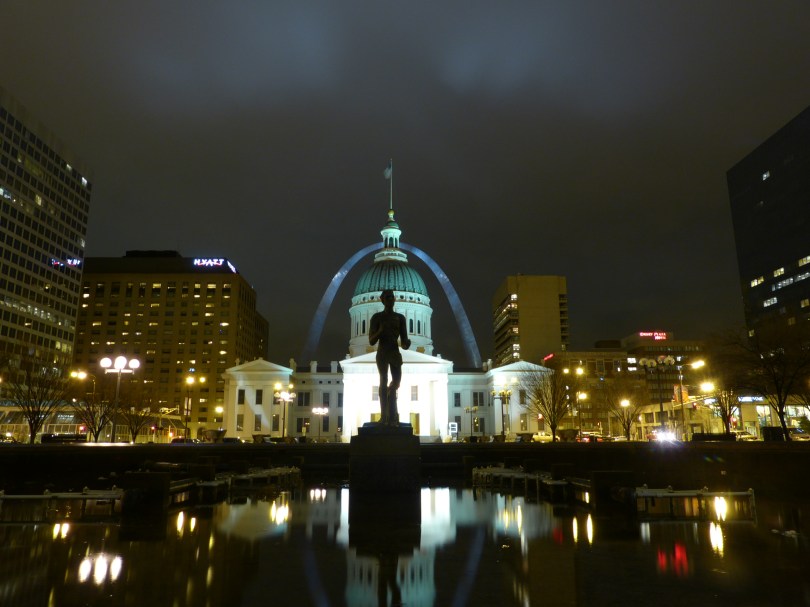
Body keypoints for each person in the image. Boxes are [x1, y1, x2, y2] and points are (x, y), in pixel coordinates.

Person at [369, 289, 411, 426]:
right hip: (382, 352)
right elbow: (371, 341)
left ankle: (391, 413)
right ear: (382, 300)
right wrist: (380, 331)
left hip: (394, 352)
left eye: (392, 297)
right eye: (387, 297)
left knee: (396, 383)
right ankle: (385, 417)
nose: (390, 299)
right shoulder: (377, 318)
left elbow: (404, 341)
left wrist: (406, 344)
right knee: (383, 381)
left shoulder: (400, 318)